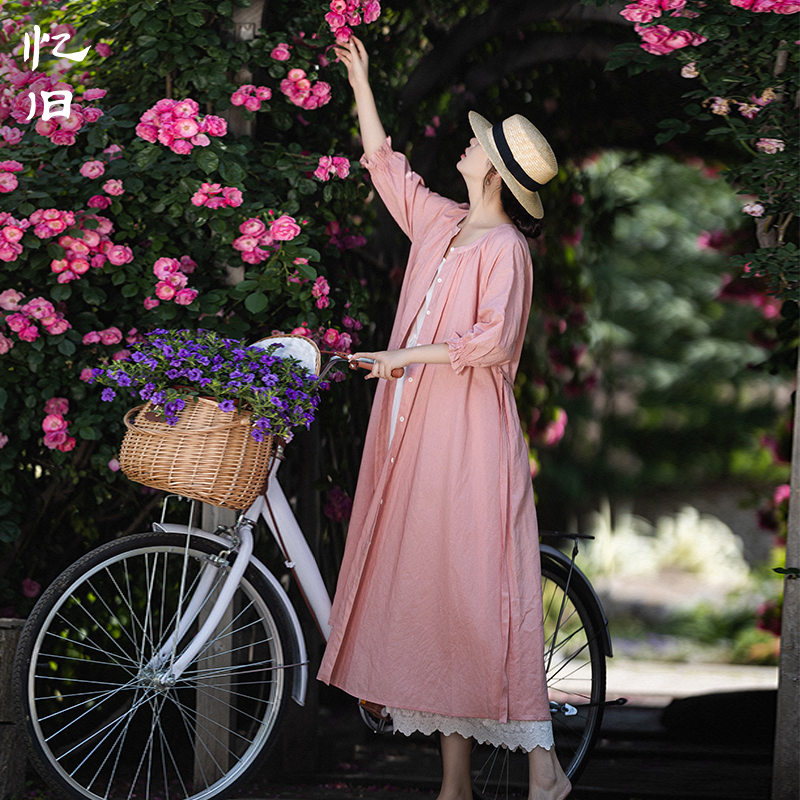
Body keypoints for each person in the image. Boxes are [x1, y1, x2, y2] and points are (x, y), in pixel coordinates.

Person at [317, 35, 572, 800]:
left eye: (475, 146)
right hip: (414, 433)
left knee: (474, 594)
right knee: (434, 593)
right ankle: (454, 784)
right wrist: (360, 82)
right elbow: (383, 167)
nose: (465, 147)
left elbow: (488, 345)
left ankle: (544, 769)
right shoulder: (442, 223)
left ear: (493, 170)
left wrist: (401, 359)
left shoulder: (506, 250)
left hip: (467, 440)